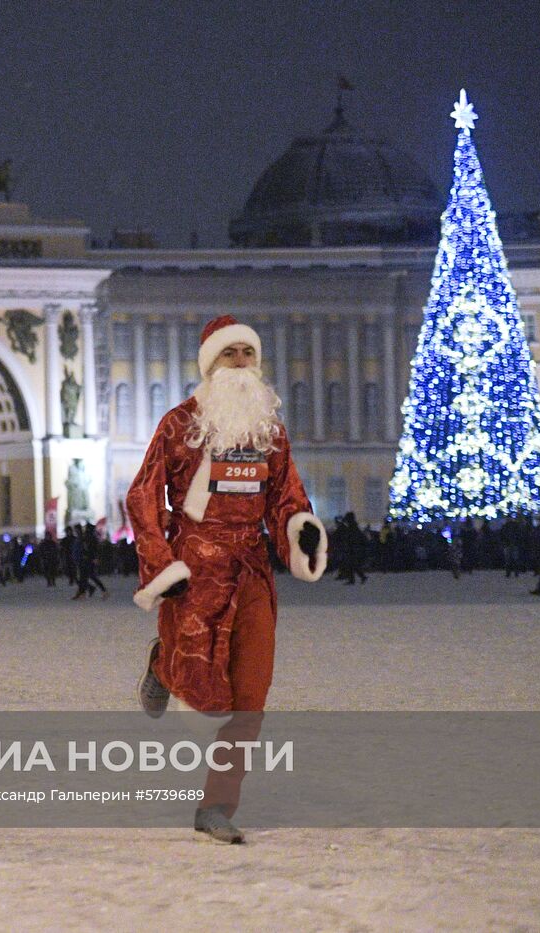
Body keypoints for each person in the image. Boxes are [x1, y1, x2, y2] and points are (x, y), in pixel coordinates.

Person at [126, 315, 326, 844]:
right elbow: (143, 495)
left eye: (247, 354)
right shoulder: (178, 425)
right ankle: (162, 662)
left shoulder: (271, 433)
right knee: (206, 692)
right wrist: (161, 563)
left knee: (250, 694)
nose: (240, 363)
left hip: (252, 570)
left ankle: (217, 805)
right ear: (210, 365)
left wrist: (299, 530)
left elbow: (288, 498)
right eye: (229, 354)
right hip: (194, 569)